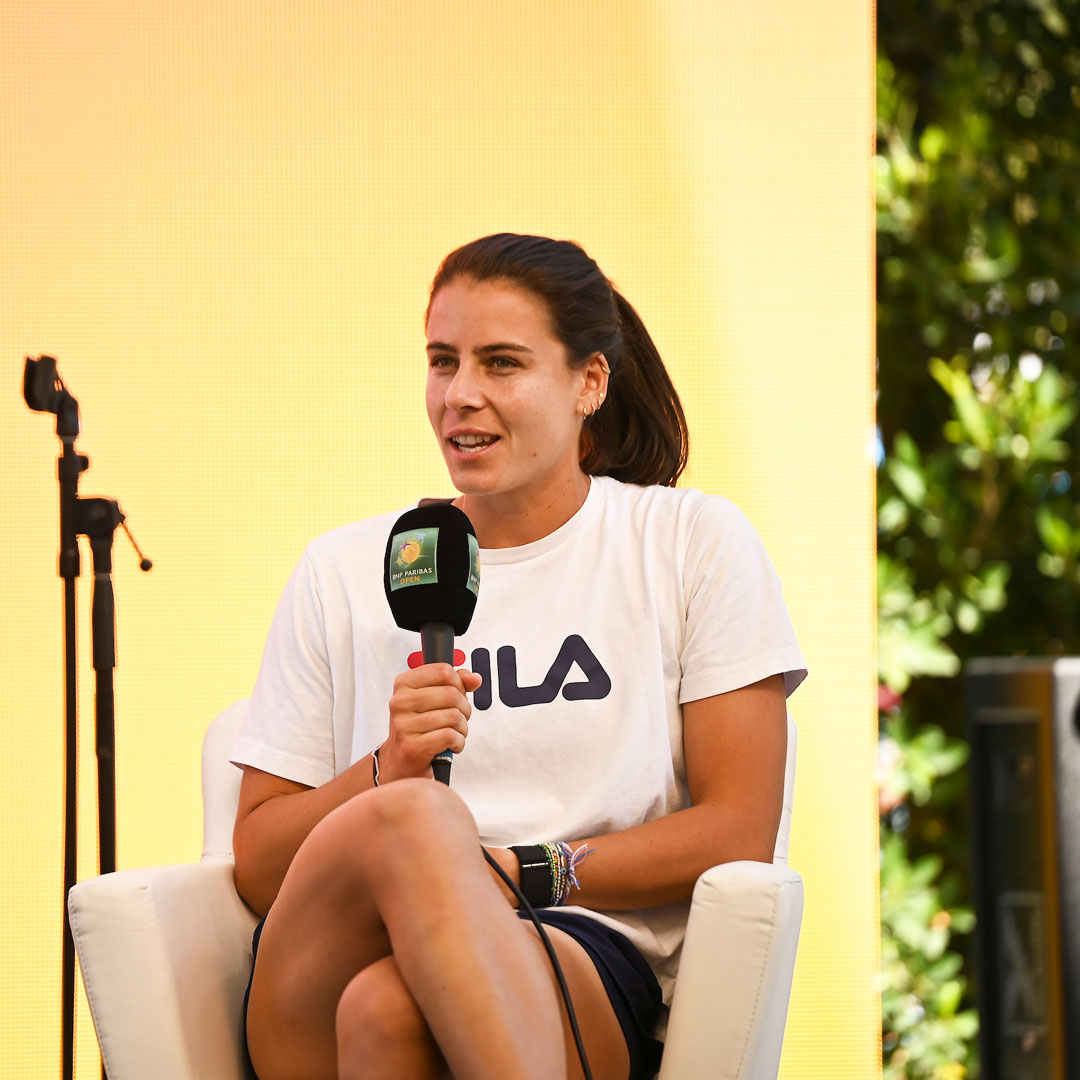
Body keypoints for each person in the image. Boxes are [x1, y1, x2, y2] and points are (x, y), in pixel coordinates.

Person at [230, 232, 808, 1080]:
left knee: (389, 1011)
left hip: (575, 945)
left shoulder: (688, 543)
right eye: (442, 362)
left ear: (590, 382)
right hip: (324, 972)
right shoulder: (339, 569)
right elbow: (257, 864)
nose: (460, 396)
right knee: (415, 815)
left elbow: (738, 829)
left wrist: (509, 874)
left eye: (501, 364)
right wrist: (389, 769)